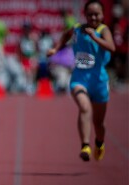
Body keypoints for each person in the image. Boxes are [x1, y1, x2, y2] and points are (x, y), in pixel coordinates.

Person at [47, 0, 115, 162]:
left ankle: (99, 143)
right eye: (90, 14)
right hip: (79, 78)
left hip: (99, 81)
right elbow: (65, 34)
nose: (93, 17)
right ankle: (85, 145)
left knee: (98, 123)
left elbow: (111, 47)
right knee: (84, 108)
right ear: (84, 15)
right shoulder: (77, 28)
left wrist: (94, 37)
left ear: (102, 15)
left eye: (96, 14)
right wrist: (56, 49)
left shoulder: (103, 30)